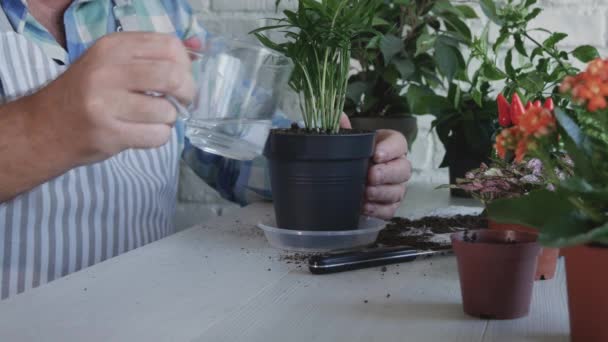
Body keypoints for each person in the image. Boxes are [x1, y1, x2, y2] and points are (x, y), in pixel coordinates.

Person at [0, 0, 412, 299]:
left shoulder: (160, 12)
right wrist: (39, 130)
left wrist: (349, 167)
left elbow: (233, 148)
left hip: (146, 312)